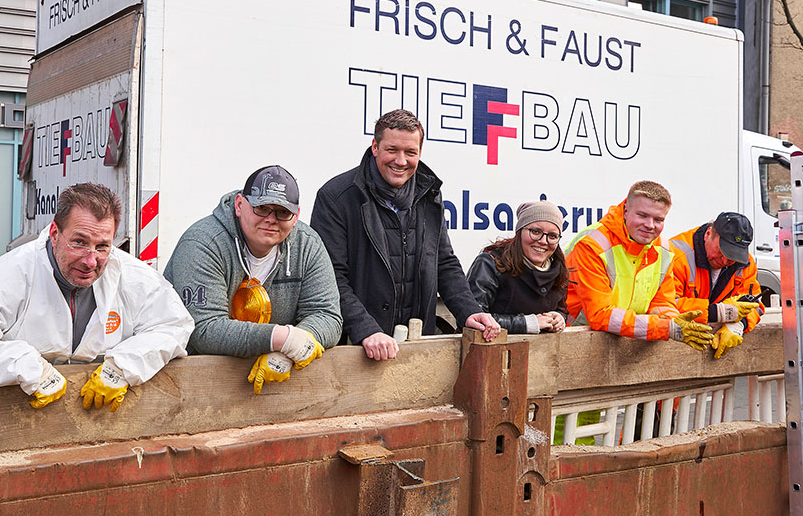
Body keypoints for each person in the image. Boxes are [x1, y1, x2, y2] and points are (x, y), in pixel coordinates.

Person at [0, 183, 193, 412]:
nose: (90, 261)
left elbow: (173, 324)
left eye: (102, 247)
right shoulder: (12, 275)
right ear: (55, 234)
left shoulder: (131, 275)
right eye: (79, 242)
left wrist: (124, 366)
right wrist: (23, 365)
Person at [310, 109, 500, 360]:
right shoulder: (336, 197)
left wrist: (468, 311)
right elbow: (331, 278)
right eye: (392, 150)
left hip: (418, 346)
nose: (401, 161)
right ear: (375, 147)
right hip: (354, 347)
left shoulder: (429, 194)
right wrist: (365, 329)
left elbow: (444, 262)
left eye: (410, 152)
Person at [165, 165, 342, 394]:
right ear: (240, 205)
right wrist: (282, 338)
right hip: (189, 384)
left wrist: (294, 347)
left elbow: (327, 315)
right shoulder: (202, 244)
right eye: (262, 208)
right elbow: (204, 329)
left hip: (269, 389)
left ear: (296, 216)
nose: (271, 219)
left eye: (282, 212)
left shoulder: (308, 245)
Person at [564, 180, 713, 349]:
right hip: (575, 340)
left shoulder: (664, 249)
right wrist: (666, 328)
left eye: (658, 219)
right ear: (626, 211)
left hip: (622, 341)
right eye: (642, 215)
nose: (650, 225)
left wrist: (675, 321)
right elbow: (600, 314)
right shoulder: (593, 245)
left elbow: (661, 303)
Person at [668, 212, 764, 358]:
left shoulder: (745, 264)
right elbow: (665, 305)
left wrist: (739, 324)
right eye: (722, 251)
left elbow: (755, 305)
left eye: (733, 256)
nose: (725, 261)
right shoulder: (676, 255)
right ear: (708, 234)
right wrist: (718, 312)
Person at [466, 201, 568, 334]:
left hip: (540, 352)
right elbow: (474, 319)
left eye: (552, 236)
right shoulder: (490, 263)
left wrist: (558, 318)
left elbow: (562, 309)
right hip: (489, 351)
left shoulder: (559, 269)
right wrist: (527, 323)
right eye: (535, 231)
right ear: (519, 232)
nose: (543, 241)